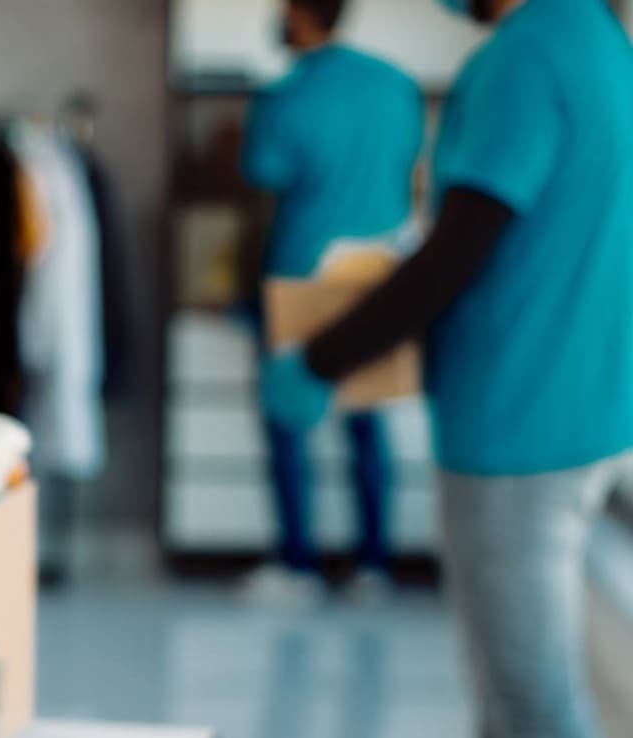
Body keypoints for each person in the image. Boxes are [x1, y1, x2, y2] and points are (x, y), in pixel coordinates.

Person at [262, 0, 633, 734]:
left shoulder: (523, 58)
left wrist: (319, 359)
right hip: (591, 414)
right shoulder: (599, 37)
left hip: (515, 428)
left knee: (531, 707)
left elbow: (456, 254)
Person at [241, 0, 424, 603]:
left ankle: (299, 566)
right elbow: (414, 175)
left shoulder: (284, 97)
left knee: (290, 419)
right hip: (377, 274)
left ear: (298, 14)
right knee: (366, 419)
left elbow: (261, 195)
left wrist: (243, 294)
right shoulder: (397, 87)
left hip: (301, 272)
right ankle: (374, 566)